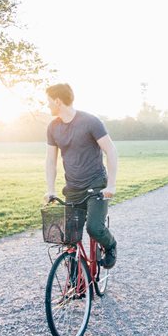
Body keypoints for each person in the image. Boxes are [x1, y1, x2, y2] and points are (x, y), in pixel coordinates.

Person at [44, 83, 119, 268]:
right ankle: (76, 282)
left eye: (48, 102)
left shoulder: (90, 122)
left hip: (96, 186)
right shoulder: (53, 127)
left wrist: (111, 185)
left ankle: (111, 246)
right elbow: (50, 161)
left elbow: (111, 151)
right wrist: (51, 190)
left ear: (58, 101)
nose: (47, 106)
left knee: (94, 228)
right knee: (68, 239)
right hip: (73, 189)